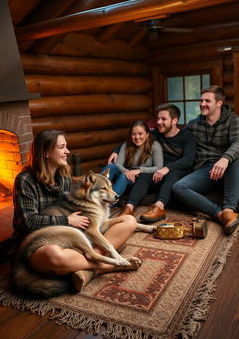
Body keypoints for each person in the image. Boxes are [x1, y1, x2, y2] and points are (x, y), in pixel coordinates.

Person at [11, 129, 141, 292]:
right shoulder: (25, 180)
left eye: (66, 146)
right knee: (55, 256)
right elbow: (28, 223)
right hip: (38, 245)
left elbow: (74, 207)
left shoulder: (63, 175)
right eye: (62, 147)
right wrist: (67, 220)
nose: (67, 151)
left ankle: (88, 268)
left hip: (69, 237)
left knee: (129, 221)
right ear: (46, 153)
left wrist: (97, 204)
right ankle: (106, 265)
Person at [108, 105, 196, 220]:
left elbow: (188, 159)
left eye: (163, 119)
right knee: (144, 175)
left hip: (178, 171)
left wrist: (167, 168)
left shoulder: (187, 136)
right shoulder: (156, 134)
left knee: (174, 174)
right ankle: (129, 208)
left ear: (174, 121)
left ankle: (158, 207)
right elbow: (134, 140)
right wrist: (116, 151)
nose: (159, 122)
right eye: (158, 118)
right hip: (158, 171)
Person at [173, 85, 239, 235]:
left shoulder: (232, 120)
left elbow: (238, 142)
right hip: (205, 170)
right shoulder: (193, 124)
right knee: (178, 187)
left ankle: (229, 210)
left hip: (229, 169)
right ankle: (220, 215)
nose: (202, 104)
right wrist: (120, 150)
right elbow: (175, 137)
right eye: (201, 100)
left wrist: (225, 159)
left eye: (207, 101)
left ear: (219, 103)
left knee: (235, 158)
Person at [102, 120, 163, 201]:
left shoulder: (155, 146)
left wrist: (139, 170)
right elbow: (118, 164)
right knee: (111, 166)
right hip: (127, 174)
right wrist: (127, 172)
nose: (137, 137)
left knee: (124, 176)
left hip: (142, 179)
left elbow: (158, 167)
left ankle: (109, 203)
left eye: (140, 134)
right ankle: (94, 197)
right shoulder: (127, 145)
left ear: (147, 134)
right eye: (133, 134)